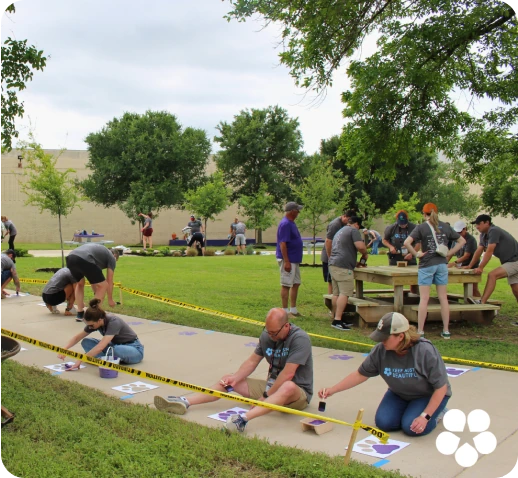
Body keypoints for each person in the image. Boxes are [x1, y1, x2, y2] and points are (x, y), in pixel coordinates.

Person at [154, 308, 313, 434]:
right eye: (268, 331)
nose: (270, 336)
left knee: (288, 386)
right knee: (229, 379)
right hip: (270, 389)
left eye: (274, 333)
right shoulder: (267, 335)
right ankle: (185, 402)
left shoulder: (300, 339)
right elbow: (252, 361)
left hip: (297, 395)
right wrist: (235, 378)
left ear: (286, 326)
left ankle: (242, 420)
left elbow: (288, 374)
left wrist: (266, 396)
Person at [319, 312, 451, 437]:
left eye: (385, 338)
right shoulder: (380, 351)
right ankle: (410, 410)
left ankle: (438, 413)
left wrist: (425, 416)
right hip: (399, 394)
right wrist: (332, 390)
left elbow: (441, 387)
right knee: (384, 423)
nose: (381, 341)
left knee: (411, 428)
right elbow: (360, 375)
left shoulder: (424, 351)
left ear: (400, 336)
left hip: (428, 395)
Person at [404, 203, 465, 339]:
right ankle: (446, 330)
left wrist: (416, 254)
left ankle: (420, 330)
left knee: (424, 298)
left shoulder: (421, 227)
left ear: (424, 214)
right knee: (443, 298)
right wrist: (450, 253)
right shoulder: (446, 226)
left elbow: (407, 242)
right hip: (442, 264)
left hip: (426, 264)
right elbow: (462, 241)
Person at [58, 298, 144, 369]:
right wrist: (64, 349)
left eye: (91, 325)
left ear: (99, 320)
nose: (90, 327)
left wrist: (80, 360)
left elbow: (101, 347)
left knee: (117, 349)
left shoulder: (113, 322)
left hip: (133, 349)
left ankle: (102, 358)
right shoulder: (94, 323)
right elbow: (77, 337)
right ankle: (106, 359)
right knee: (86, 342)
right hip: (113, 346)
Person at [467, 215, 518, 322]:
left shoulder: (494, 231)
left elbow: (489, 251)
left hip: (515, 260)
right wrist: (470, 266)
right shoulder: (483, 235)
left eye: (478, 224)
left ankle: (482, 302)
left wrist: (480, 267)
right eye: (476, 224)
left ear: (487, 223)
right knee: (516, 290)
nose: (477, 226)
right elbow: (479, 250)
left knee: (492, 275)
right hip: (510, 261)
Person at [328, 216, 369, 331]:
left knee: (336, 294)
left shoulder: (340, 231)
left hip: (333, 264)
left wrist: (353, 261)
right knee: (344, 293)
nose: (358, 229)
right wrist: (365, 254)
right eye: (359, 226)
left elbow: (343, 249)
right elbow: (360, 246)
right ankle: (337, 320)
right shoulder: (353, 230)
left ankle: (336, 317)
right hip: (343, 267)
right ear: (356, 224)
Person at [66, 243, 119, 321]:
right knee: (104, 285)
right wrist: (110, 300)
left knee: (80, 284)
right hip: (85, 258)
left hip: (70, 258)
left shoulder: (99, 254)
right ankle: (93, 314)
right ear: (114, 255)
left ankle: (80, 313)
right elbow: (109, 280)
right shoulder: (111, 257)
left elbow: (93, 280)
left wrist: (96, 293)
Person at [276, 202, 304, 317]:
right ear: (292, 211)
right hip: (289, 259)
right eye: (297, 210)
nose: (298, 212)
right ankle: (285, 311)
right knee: (286, 284)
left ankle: (293, 309)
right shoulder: (285, 224)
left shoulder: (291, 223)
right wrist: (286, 261)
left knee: (296, 283)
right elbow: (283, 243)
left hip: (294, 259)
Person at [322, 209, 356, 297]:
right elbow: (328, 241)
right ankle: (331, 303)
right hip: (331, 257)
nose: (349, 223)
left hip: (338, 257)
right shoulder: (335, 225)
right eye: (348, 220)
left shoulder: (345, 225)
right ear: (344, 216)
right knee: (331, 281)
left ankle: (339, 301)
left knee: (338, 282)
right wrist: (330, 257)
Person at [447, 220, 481, 297]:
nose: (459, 234)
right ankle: (471, 303)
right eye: (457, 233)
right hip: (461, 266)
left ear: (465, 229)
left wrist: (453, 263)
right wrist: (445, 263)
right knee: (467, 286)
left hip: (471, 265)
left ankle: (480, 304)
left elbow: (467, 255)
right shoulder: (456, 239)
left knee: (473, 288)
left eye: (460, 232)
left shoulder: (470, 239)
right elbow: (452, 252)